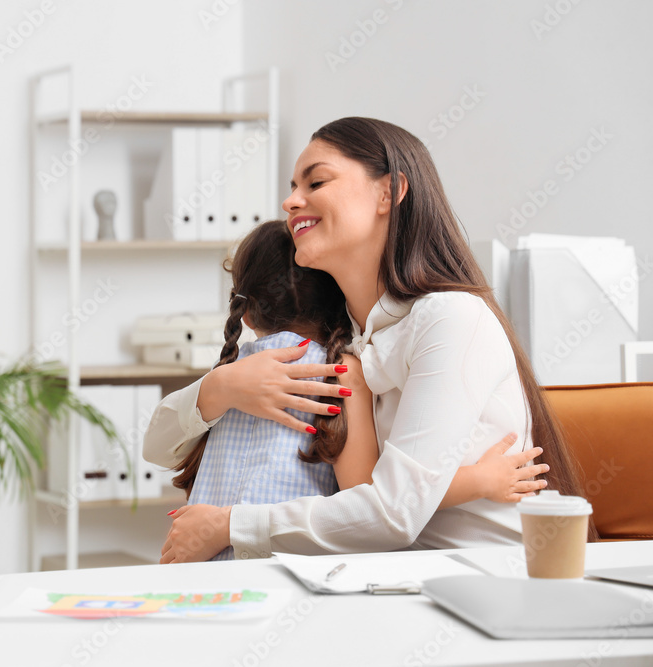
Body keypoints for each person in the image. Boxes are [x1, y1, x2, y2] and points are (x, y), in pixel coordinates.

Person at [146, 117, 591, 563]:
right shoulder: (347, 340)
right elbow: (160, 444)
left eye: (316, 181)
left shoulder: (450, 318)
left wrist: (228, 525)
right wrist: (218, 387)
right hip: (385, 575)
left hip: (479, 575)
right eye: (293, 186)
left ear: (389, 192)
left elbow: (394, 512)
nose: (290, 201)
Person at [174, 220, 547, 561]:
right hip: (287, 565)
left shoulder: (226, 375)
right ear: (338, 300)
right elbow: (372, 498)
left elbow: (158, 445)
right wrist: (481, 480)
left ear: (246, 314)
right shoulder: (342, 371)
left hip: (200, 561)